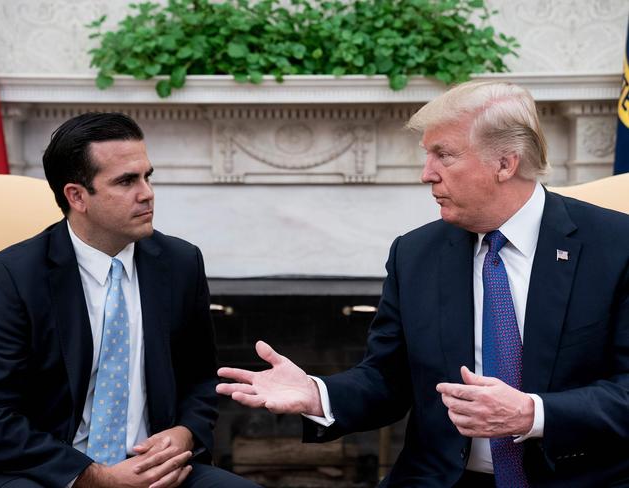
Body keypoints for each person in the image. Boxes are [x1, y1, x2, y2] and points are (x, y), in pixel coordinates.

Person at [217, 81, 629, 487]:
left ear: (506, 163)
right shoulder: (415, 254)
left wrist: (533, 414)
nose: (425, 174)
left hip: (580, 478)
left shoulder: (614, 246)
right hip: (442, 479)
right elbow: (387, 379)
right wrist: (317, 394)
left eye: (443, 156)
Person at [0, 113, 259, 488]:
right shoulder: (12, 276)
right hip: (48, 472)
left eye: (147, 176)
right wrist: (94, 477)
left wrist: (186, 432)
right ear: (77, 196)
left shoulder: (180, 263)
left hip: (153, 471)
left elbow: (199, 379)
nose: (147, 193)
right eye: (126, 181)